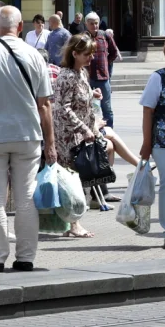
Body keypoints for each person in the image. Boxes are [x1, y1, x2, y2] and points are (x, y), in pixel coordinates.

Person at [0, 6, 56, 273]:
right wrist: (50, 142)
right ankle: (25, 258)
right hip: (27, 135)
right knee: (26, 197)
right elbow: (45, 105)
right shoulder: (35, 55)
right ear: (20, 27)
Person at [53, 35, 110, 238]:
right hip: (68, 138)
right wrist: (83, 129)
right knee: (72, 183)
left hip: (82, 136)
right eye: (87, 54)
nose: (91, 57)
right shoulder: (67, 75)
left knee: (77, 181)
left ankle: (70, 223)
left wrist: (91, 95)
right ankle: (73, 225)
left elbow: (79, 101)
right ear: (74, 53)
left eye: (92, 53)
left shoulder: (81, 73)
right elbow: (62, 109)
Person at [85, 12, 121, 129]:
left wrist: (106, 62)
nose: (94, 26)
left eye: (96, 23)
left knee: (107, 108)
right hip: (87, 77)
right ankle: (90, 129)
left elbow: (114, 52)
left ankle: (109, 131)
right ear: (86, 24)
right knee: (86, 106)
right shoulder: (82, 37)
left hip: (103, 77)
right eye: (91, 23)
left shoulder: (105, 35)